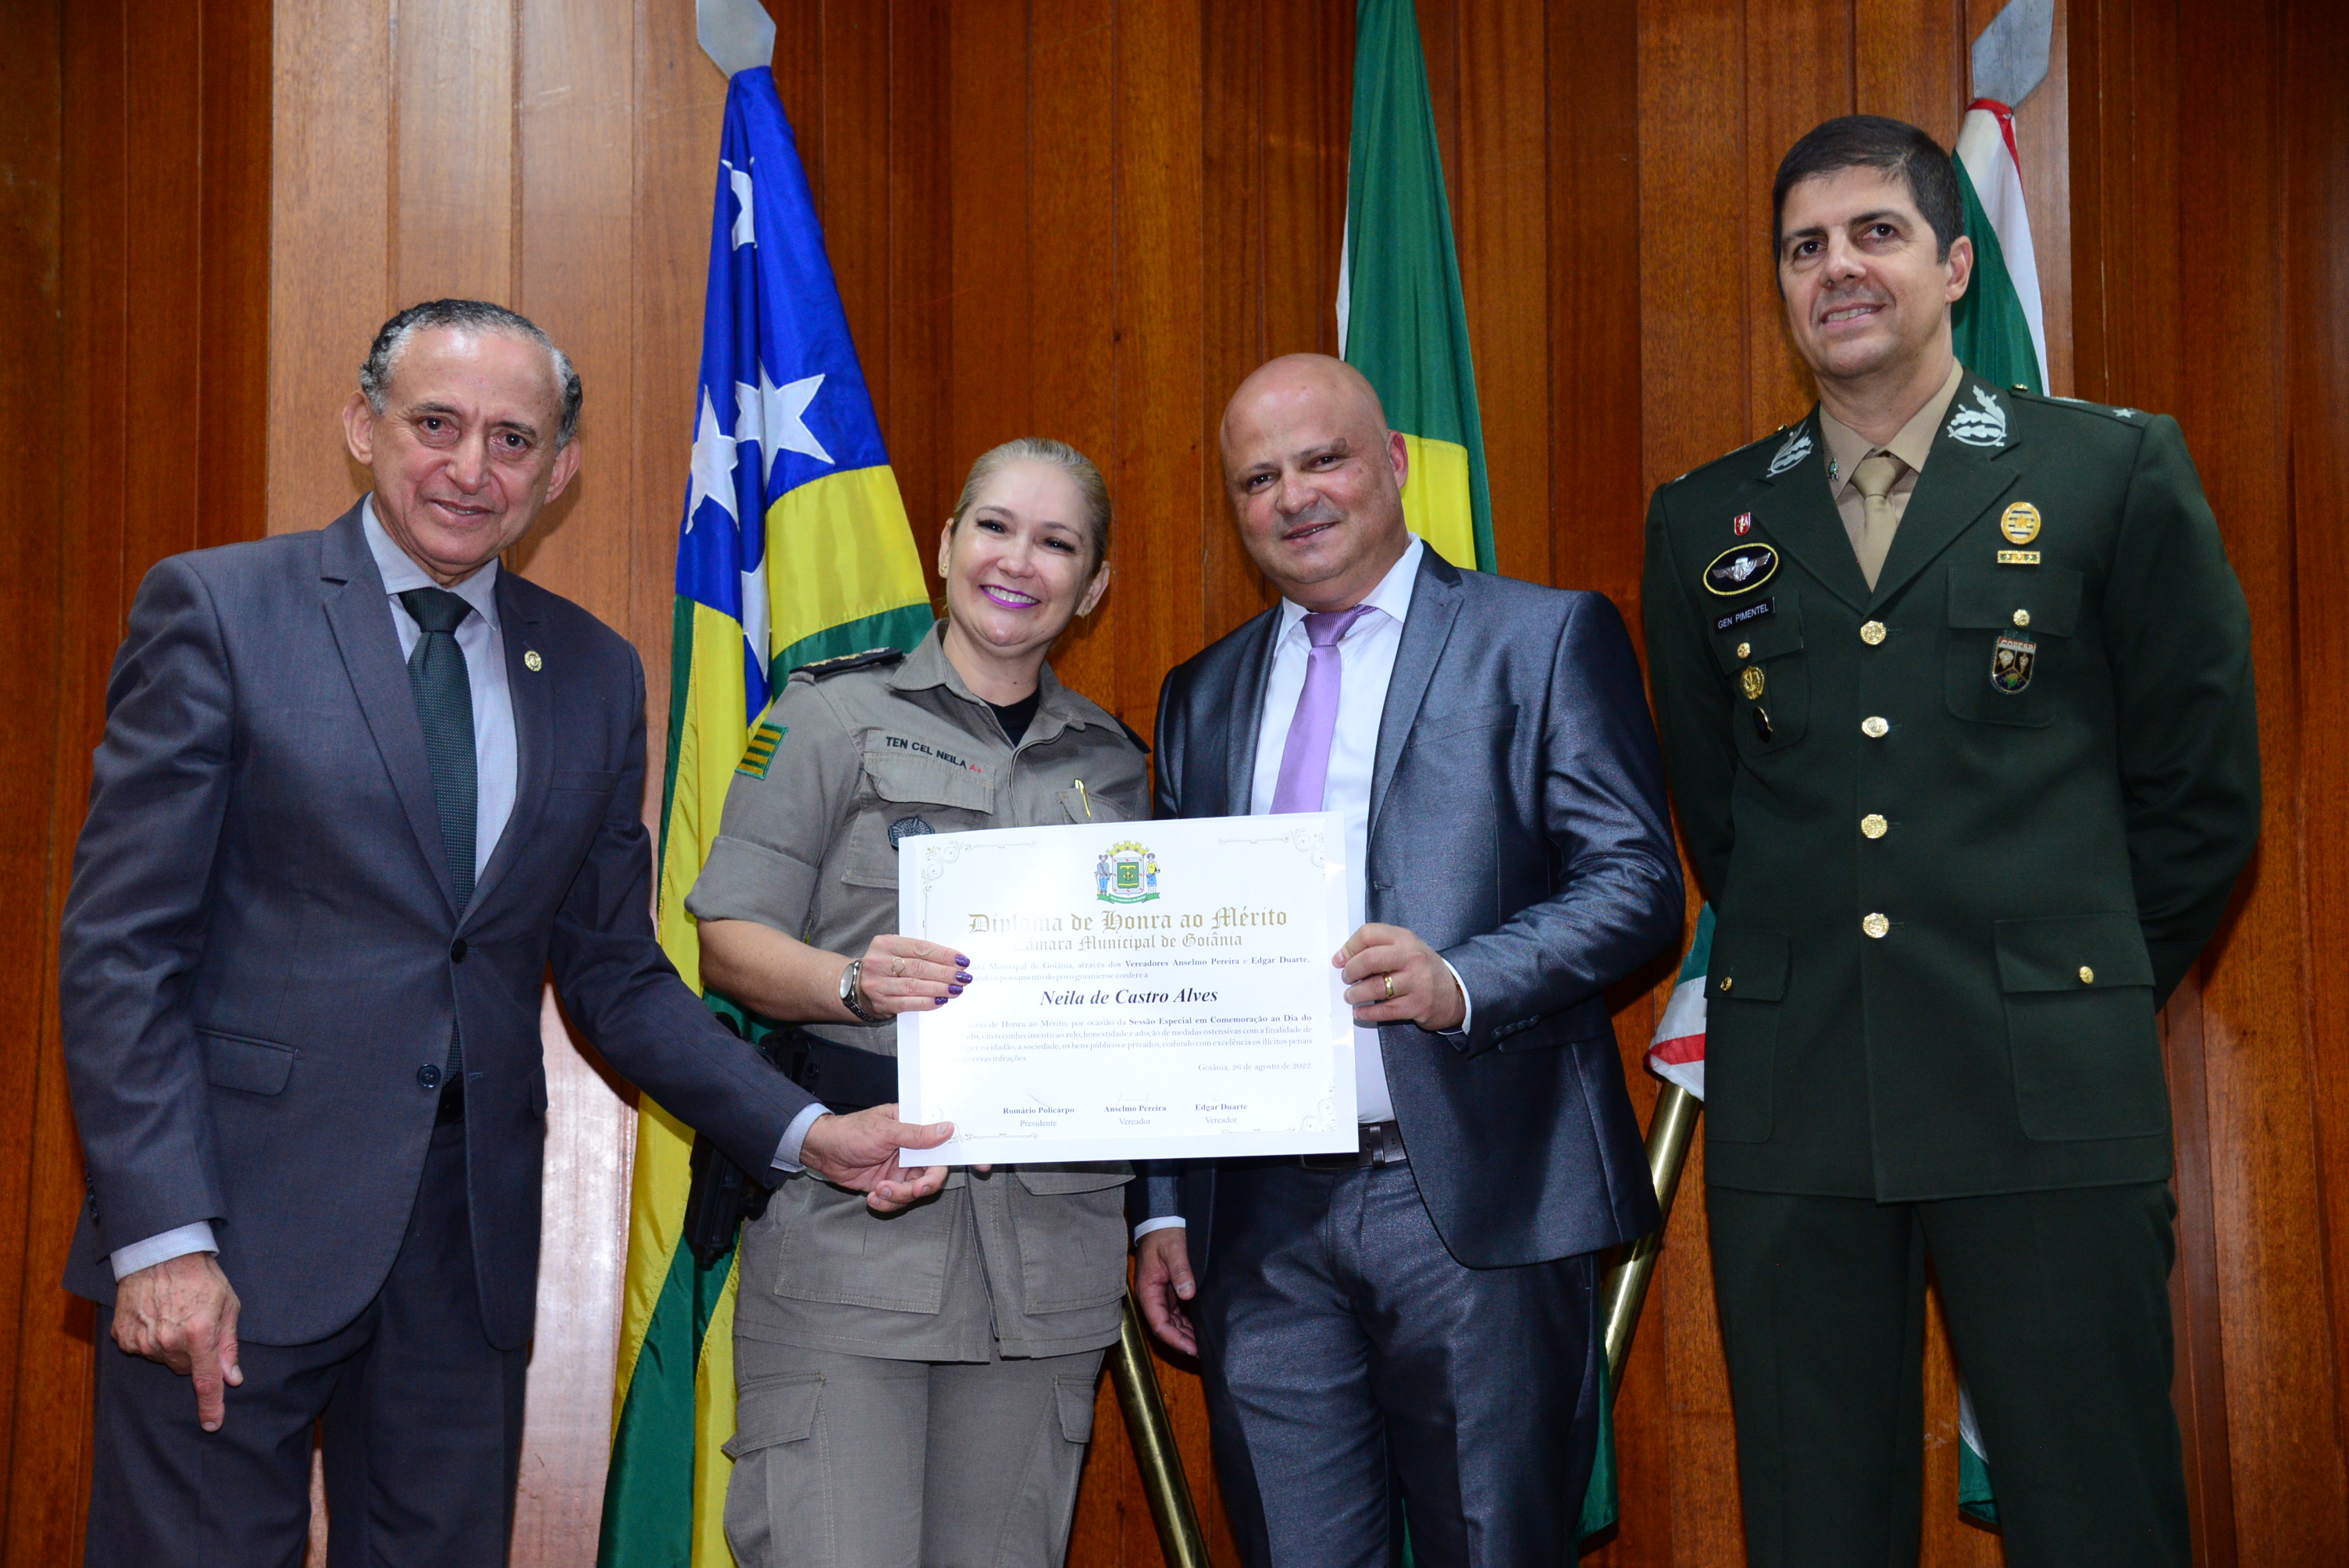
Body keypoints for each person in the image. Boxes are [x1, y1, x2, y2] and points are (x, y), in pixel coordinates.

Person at [56, 299, 951, 1568]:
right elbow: (120, 952)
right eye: (437, 425)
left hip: (462, 1262)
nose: (471, 469)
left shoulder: (591, 671)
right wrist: (161, 1237)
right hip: (232, 1234)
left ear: (561, 470)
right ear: (361, 425)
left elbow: (617, 975)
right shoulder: (219, 608)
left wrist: (806, 1132)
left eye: (514, 440)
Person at [1640, 116, 2261, 1567]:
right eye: (1805, 247)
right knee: (1815, 1523)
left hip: (2044, 1082)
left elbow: (2200, 792)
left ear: (1957, 265)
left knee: (2097, 1512)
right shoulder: (1704, 518)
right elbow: (1722, 812)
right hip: (1801, 1100)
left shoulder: (2108, 468)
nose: (1838, 269)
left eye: (1877, 233)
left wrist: (2070, 976)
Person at [1131, 355, 1683, 1567]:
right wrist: (1164, 1198)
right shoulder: (1199, 695)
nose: (1293, 497)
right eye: (1258, 479)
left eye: (1322, 460)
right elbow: (1169, 966)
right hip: (1256, 1222)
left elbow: (1639, 887)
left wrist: (1462, 980)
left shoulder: (1540, 637)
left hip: (1475, 1194)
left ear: (1390, 462)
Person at [686, 438, 1150, 1567]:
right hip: (853, 1236)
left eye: (1056, 543)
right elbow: (728, 941)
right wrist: (850, 983)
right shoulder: (827, 716)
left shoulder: (1121, 765)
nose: (1017, 561)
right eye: (994, 526)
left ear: (1093, 587)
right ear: (945, 546)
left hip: (1050, 1258)